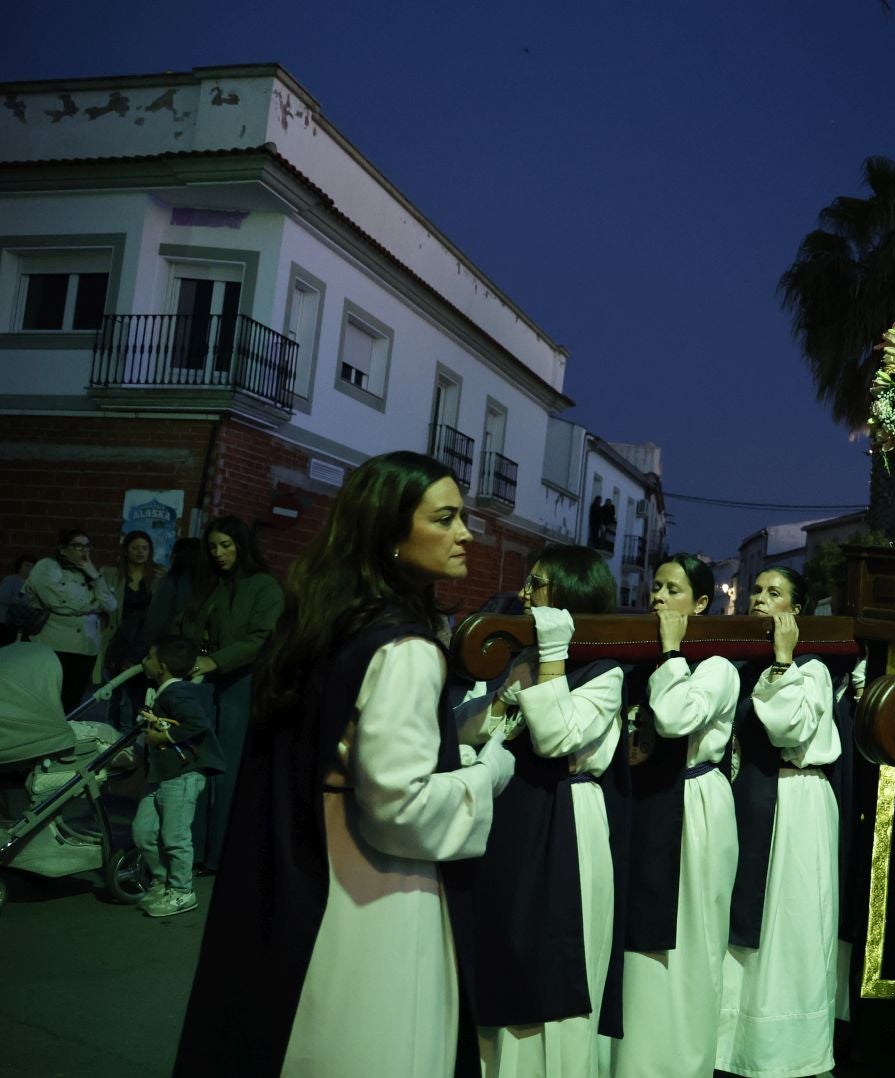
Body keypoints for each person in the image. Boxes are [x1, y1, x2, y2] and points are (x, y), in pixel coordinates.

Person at [174, 449, 516, 1075]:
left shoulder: (318, 621)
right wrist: (487, 772)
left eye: (462, 517)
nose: (465, 534)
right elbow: (401, 806)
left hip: (302, 868)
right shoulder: (405, 647)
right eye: (444, 519)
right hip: (376, 890)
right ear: (389, 531)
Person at [445, 545, 625, 1075]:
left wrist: (551, 660)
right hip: (511, 822)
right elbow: (461, 728)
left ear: (570, 592)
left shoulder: (605, 673)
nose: (524, 594)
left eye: (538, 584)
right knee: (502, 956)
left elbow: (555, 738)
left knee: (551, 966)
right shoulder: (520, 655)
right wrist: (504, 697)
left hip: (566, 824)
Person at [610, 553, 739, 1078]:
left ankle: (680, 1064)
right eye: (656, 587)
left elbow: (673, 716)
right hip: (645, 803)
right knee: (637, 949)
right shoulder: (643, 656)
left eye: (673, 590)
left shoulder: (717, 666)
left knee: (688, 944)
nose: (658, 598)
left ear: (702, 603)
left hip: (694, 808)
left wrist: (670, 653)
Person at [716, 566, 842, 1078]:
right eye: (756, 591)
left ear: (796, 610)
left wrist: (784, 660)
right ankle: (734, 1049)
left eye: (774, 593)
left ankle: (784, 1053)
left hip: (795, 804)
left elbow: (789, 726)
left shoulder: (811, 669)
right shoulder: (745, 665)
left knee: (788, 927)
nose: (760, 600)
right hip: (752, 800)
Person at [179, 515, 285, 873]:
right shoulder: (210, 584)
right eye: (212, 547)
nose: (219, 553)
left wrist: (216, 661)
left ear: (241, 545)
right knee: (197, 768)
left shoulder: (263, 585)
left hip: (242, 684)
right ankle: (192, 850)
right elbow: (187, 627)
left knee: (226, 774)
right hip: (204, 685)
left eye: (226, 545)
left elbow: (262, 637)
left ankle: (220, 854)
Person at [131, 634, 224, 919]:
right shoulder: (164, 693)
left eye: (149, 657)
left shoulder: (177, 694)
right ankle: (163, 880)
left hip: (182, 776)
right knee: (143, 831)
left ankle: (183, 891)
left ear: (162, 667)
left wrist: (163, 736)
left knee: (175, 836)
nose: (144, 661)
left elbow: (197, 723)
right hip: (162, 774)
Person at [26, 530, 117, 712]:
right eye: (77, 546)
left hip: (85, 647)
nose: (84, 551)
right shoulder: (48, 567)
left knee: (72, 700)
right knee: (47, 699)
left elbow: (111, 604)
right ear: (63, 549)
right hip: (54, 644)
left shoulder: (90, 572)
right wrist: (93, 606)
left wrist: (95, 576)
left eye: (87, 546)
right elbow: (58, 603)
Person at [101, 530, 166, 730]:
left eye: (145, 548)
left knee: (139, 695)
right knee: (113, 692)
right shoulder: (112, 574)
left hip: (144, 642)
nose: (140, 552)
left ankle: (134, 735)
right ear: (126, 550)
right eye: (135, 547)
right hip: (117, 640)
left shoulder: (159, 576)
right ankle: (110, 733)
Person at [2, 553, 38, 646]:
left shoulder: (35, 584)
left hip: (27, 623)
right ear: (20, 565)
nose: (29, 568)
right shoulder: (9, 580)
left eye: (32, 566)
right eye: (26, 565)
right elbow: (3, 597)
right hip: (7, 621)